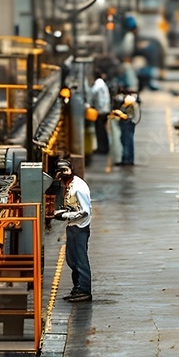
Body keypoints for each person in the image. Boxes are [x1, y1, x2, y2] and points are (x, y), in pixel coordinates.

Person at [52, 160, 93, 302]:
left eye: (65, 170)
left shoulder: (78, 187)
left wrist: (64, 215)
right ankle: (77, 287)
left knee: (80, 259)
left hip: (80, 227)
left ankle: (84, 290)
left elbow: (85, 211)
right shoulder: (68, 185)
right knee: (72, 259)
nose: (62, 173)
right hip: (73, 226)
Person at [110, 94, 140, 166]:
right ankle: (129, 159)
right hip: (131, 122)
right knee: (129, 140)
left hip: (127, 122)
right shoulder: (132, 100)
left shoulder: (128, 100)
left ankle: (126, 159)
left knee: (126, 141)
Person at [89, 71, 112, 157]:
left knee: (100, 130)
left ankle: (102, 148)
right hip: (105, 109)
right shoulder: (102, 84)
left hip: (100, 110)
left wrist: (89, 103)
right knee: (103, 130)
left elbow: (92, 93)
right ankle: (105, 147)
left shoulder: (98, 84)